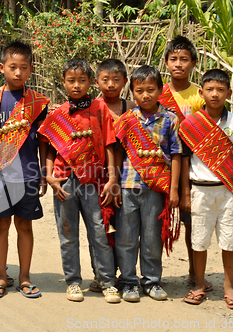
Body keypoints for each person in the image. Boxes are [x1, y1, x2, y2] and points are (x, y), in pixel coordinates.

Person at [39, 58, 120, 303]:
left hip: (94, 180)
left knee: (99, 231)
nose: (76, 86)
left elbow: (109, 143)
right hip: (64, 181)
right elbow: (51, 149)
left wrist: (113, 175)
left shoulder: (99, 109)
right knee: (68, 233)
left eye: (82, 81)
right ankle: (73, 282)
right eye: (71, 81)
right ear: (63, 82)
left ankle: (106, 281)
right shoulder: (57, 114)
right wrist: (50, 176)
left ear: (90, 83)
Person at [0, 40, 50, 298]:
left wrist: (43, 171)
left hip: (28, 174)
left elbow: (43, 140)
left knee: (24, 226)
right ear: (2, 68)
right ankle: (1, 276)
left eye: (23, 67)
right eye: (13, 67)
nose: (18, 72)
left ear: (31, 70)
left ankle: (24, 277)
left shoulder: (37, 102)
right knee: (0, 227)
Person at [180, 69, 233, 309]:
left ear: (229, 93)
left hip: (227, 192)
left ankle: (229, 287)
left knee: (229, 241)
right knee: (198, 241)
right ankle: (199, 285)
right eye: (209, 89)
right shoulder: (192, 124)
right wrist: (184, 193)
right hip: (199, 192)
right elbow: (185, 161)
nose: (215, 94)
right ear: (201, 93)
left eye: (221, 90)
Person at [113, 65, 182, 302]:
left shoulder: (170, 119)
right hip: (128, 186)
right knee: (126, 237)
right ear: (132, 92)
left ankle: (152, 281)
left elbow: (176, 155)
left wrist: (174, 189)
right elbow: (118, 154)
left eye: (151, 89)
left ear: (161, 90)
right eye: (139, 90)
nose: (145, 95)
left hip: (156, 189)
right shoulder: (126, 121)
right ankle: (129, 281)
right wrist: (114, 183)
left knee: (153, 237)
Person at [162, 36, 208, 291]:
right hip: (160, 169)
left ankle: (194, 271)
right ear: (166, 63)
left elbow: (204, 132)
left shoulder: (199, 96)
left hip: (192, 168)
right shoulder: (156, 93)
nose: (178, 64)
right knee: (156, 221)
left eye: (184, 60)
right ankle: (152, 273)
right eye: (173, 59)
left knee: (192, 223)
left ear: (193, 63)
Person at [88, 58, 136, 292]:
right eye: (105, 80)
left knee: (125, 226)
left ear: (125, 82)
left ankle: (125, 274)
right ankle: (101, 274)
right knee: (99, 227)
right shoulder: (91, 108)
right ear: (96, 82)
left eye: (116, 80)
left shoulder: (132, 108)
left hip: (128, 176)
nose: (110, 85)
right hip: (98, 176)